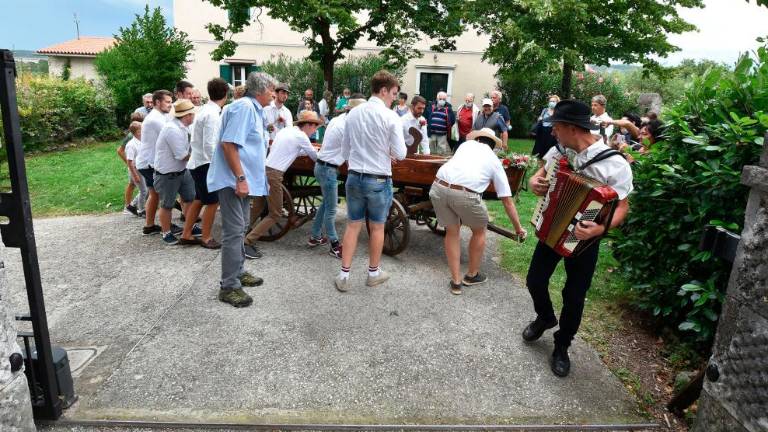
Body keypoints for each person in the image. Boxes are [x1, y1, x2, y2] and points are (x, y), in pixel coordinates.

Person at [524, 100, 633, 378]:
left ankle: (562, 345)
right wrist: (536, 182)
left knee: (574, 295)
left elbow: (622, 206)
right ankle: (546, 317)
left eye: (556, 128)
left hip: (585, 237)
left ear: (571, 128)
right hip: (554, 228)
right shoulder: (560, 150)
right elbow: (540, 176)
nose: (553, 133)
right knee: (535, 279)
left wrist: (599, 230)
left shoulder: (613, 163)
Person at [207, 72, 277, 308]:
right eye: (272, 90)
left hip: (241, 182)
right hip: (233, 181)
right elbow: (228, 144)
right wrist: (240, 178)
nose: (274, 95)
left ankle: (237, 272)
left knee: (241, 227)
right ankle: (229, 286)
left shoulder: (252, 109)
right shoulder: (245, 108)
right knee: (234, 232)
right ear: (260, 90)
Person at [429, 128, 526, 295]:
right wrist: (518, 229)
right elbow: (507, 201)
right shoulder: (494, 160)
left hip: (438, 187)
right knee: (479, 230)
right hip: (465, 194)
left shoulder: (464, 146)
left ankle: (456, 281)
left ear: (478, 139)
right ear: (493, 146)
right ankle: (472, 275)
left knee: (452, 232)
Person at [334, 70, 407, 292]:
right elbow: (401, 153)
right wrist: (387, 152)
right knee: (377, 228)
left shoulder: (353, 114)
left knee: (353, 225)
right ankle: (373, 273)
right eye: (394, 93)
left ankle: (344, 275)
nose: (395, 97)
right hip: (378, 178)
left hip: (355, 176)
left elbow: (345, 150)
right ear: (383, 90)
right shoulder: (390, 116)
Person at [246, 111, 321, 248]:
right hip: (274, 174)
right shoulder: (301, 136)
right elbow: (315, 157)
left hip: (264, 170)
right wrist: (322, 153)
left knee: (257, 207)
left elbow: (293, 150)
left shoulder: (287, 131)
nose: (315, 130)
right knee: (276, 213)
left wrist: (312, 149)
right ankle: (247, 242)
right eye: (315, 126)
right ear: (308, 125)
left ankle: (241, 233)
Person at [310, 94, 367, 259]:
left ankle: (314, 236)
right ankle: (334, 245)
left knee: (326, 204)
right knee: (332, 208)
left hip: (322, 166)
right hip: (328, 169)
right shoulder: (346, 127)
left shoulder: (339, 119)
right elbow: (353, 152)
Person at [183, 78, 229, 250]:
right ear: (225, 94)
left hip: (198, 162)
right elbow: (209, 145)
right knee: (212, 202)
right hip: (205, 164)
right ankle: (206, 237)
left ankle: (186, 234)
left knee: (199, 199)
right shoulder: (212, 114)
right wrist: (218, 165)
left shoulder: (204, 110)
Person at [153, 99, 199, 246]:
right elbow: (182, 155)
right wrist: (201, 158)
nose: (194, 117)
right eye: (193, 114)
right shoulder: (172, 130)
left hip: (181, 170)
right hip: (168, 174)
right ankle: (166, 232)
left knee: (190, 198)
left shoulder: (183, 127)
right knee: (167, 205)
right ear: (187, 116)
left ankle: (189, 225)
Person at [136, 89, 175, 236]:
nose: (170, 105)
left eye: (171, 102)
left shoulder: (160, 115)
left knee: (155, 194)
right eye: (167, 102)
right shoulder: (155, 119)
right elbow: (170, 136)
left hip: (149, 161)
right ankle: (157, 225)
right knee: (158, 194)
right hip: (148, 163)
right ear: (157, 102)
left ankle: (150, 225)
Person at [117, 111, 146, 216]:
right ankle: (139, 209)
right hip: (135, 169)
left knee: (142, 188)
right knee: (142, 189)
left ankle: (131, 206)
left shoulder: (141, 138)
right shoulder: (131, 141)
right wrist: (132, 169)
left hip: (140, 167)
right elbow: (121, 151)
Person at [532, 95, 561, 161]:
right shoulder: (545, 110)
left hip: (552, 132)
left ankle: (548, 167)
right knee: (539, 151)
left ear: (557, 102)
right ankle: (539, 165)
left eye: (553, 101)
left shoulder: (558, 111)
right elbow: (540, 118)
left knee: (550, 152)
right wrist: (539, 119)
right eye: (550, 101)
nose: (551, 102)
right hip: (542, 131)